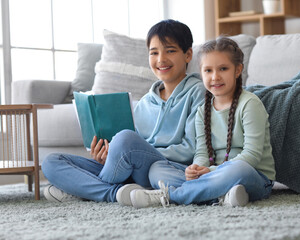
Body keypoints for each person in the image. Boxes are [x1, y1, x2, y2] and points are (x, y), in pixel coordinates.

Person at [41, 19, 205, 204]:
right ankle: (116, 193)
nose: (161, 59)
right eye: (154, 52)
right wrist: (110, 155)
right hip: (131, 172)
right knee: (51, 162)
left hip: (166, 167)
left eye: (170, 51)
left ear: (188, 54)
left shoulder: (198, 92)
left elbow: (191, 148)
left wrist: (135, 150)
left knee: (125, 139)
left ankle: (85, 191)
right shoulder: (144, 102)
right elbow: (128, 151)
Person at [127, 36, 276, 208]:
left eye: (223, 69)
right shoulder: (202, 110)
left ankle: (172, 196)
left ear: (237, 70)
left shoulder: (250, 104)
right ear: (201, 72)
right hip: (212, 176)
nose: (215, 77)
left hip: (254, 177)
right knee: (157, 170)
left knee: (238, 169)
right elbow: (202, 153)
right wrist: (196, 168)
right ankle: (221, 196)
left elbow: (252, 156)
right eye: (208, 71)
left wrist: (211, 171)